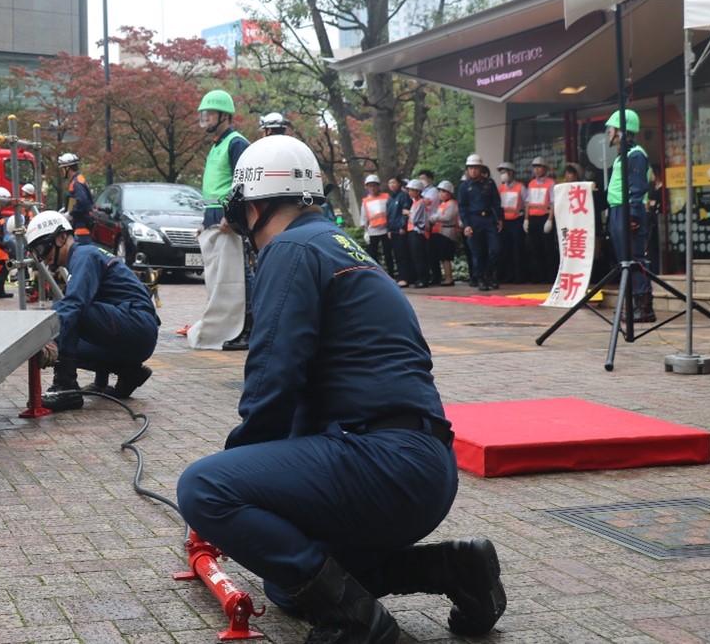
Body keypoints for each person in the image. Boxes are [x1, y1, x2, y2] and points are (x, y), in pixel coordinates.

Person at [175, 134, 505, 643]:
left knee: (204, 488)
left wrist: (225, 494)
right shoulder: (340, 246)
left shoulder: (288, 249)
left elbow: (272, 379)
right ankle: (452, 569)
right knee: (287, 584)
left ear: (256, 206)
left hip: (381, 462)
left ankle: (359, 625)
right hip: (426, 467)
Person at [29, 211, 160, 409]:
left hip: (136, 325)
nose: (43, 258)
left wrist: (45, 336)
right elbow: (102, 311)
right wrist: (100, 384)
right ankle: (129, 373)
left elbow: (76, 305)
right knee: (70, 341)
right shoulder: (85, 257)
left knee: (67, 314)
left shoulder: (84, 256)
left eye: (42, 248)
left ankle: (66, 388)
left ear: (61, 237)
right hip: (135, 333)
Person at [187, 89, 252, 351]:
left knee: (239, 273)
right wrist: (206, 220)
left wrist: (231, 214)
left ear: (225, 115)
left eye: (210, 113)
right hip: (214, 213)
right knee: (219, 275)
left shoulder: (236, 142)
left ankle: (247, 327)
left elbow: (242, 182)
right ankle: (228, 325)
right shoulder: (217, 145)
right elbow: (214, 187)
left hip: (228, 214)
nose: (205, 118)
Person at [606, 108, 655, 323]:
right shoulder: (622, 155)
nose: (608, 132)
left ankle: (644, 309)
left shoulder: (636, 155)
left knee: (635, 260)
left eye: (612, 128)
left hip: (628, 210)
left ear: (622, 130)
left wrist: (634, 216)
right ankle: (632, 305)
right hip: (618, 210)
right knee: (625, 261)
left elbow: (638, 188)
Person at [457, 154, 502, 291]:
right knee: (477, 252)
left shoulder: (489, 183)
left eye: (475, 168)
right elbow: (462, 207)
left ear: (480, 168)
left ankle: (488, 274)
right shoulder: (464, 186)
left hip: (488, 219)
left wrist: (500, 219)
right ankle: (481, 278)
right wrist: (466, 224)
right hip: (473, 220)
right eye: (470, 168)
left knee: (496, 249)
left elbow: (496, 202)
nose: (473, 171)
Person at [525, 156, 558, 284]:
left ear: (545, 169)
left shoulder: (551, 183)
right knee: (536, 248)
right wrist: (526, 219)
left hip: (545, 218)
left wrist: (550, 220)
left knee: (548, 248)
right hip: (533, 219)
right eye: (535, 167)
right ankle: (540, 275)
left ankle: (551, 276)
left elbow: (554, 202)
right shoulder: (531, 184)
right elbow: (528, 203)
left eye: (539, 167)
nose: (537, 170)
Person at [494, 162, 527, 284]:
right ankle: (509, 275)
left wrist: (526, 219)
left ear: (511, 173)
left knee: (518, 250)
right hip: (505, 222)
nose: (502, 175)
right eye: (501, 173)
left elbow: (525, 203)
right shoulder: (501, 187)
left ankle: (520, 276)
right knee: (505, 250)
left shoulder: (520, 187)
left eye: (504, 172)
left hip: (517, 221)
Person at [360, 174, 394, 280]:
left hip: (385, 229)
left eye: (374, 185)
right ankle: (377, 276)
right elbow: (364, 217)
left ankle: (391, 275)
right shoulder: (365, 201)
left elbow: (391, 213)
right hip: (373, 230)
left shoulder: (386, 197)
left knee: (388, 254)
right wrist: (366, 231)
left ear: (378, 186)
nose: (372, 188)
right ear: (367, 187)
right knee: (373, 255)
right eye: (370, 186)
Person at [58, 152, 94, 245]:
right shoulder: (77, 179)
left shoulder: (76, 182)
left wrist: (70, 213)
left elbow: (82, 202)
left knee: (81, 251)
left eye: (63, 168)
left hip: (81, 225)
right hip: (80, 223)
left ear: (67, 168)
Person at [430, 179, 459, 286]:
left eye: (444, 191)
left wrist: (435, 217)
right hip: (441, 232)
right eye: (440, 191)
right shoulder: (442, 204)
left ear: (450, 193)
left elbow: (448, 217)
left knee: (446, 257)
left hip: (448, 232)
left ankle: (449, 278)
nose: (441, 194)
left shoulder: (451, 204)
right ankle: (446, 277)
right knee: (443, 257)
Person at [386, 175, 413, 287]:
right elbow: (388, 215)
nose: (392, 185)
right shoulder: (390, 198)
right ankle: (401, 276)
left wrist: (403, 226)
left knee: (403, 254)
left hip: (400, 229)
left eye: (394, 182)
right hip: (392, 229)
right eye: (390, 183)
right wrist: (388, 228)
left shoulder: (403, 196)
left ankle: (405, 277)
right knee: (396, 254)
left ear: (399, 184)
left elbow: (404, 212)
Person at [405, 178, 431, 288]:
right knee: (415, 256)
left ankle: (423, 279)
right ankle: (419, 278)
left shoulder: (420, 203)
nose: (410, 192)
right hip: (412, 231)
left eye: (413, 190)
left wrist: (408, 213)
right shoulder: (415, 202)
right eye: (409, 190)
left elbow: (415, 218)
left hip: (418, 231)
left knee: (419, 257)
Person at [415, 170, 440, 285]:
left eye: (423, 178)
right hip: (423, 225)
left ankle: (436, 276)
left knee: (432, 253)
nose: (421, 181)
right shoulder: (422, 192)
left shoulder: (433, 191)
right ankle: (430, 275)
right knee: (425, 253)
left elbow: (426, 202)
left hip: (431, 224)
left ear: (430, 179)